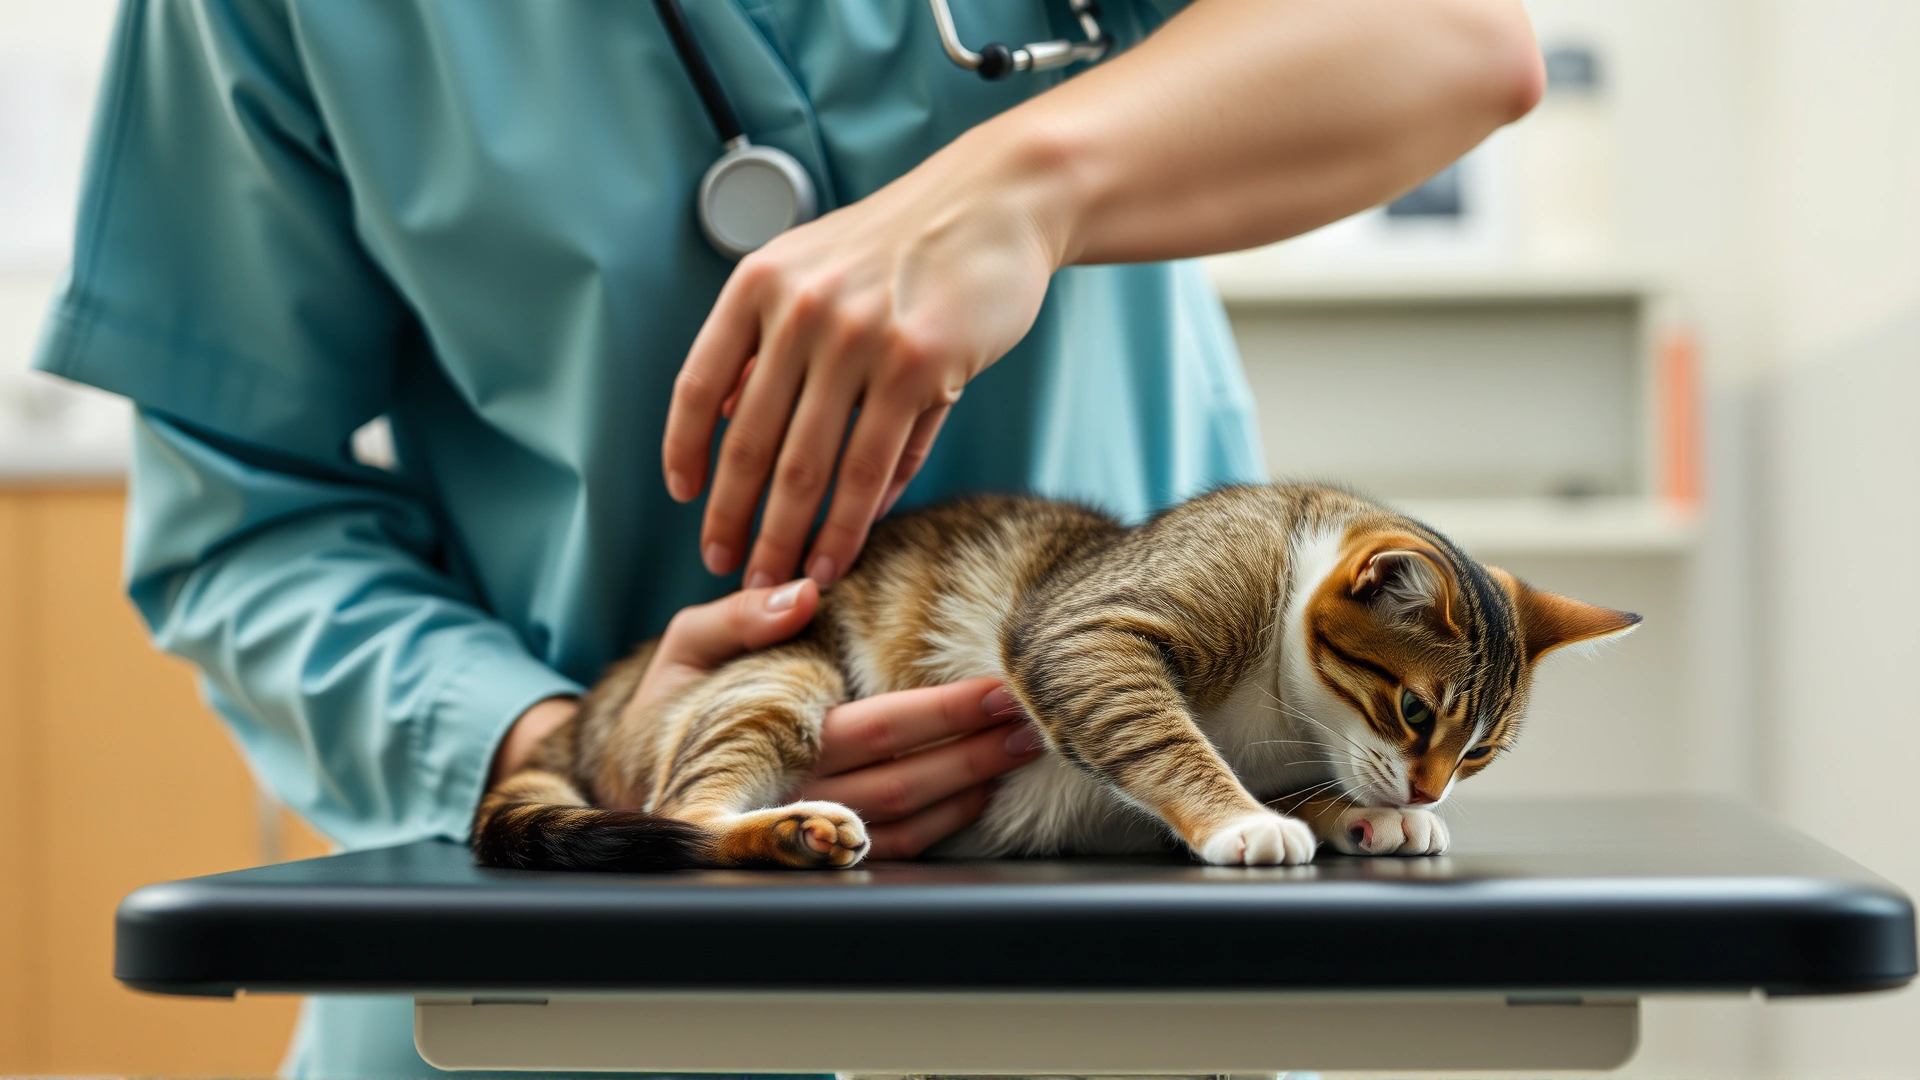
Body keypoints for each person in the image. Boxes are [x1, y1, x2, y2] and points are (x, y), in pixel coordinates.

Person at [36, 0, 1541, 1075]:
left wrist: (1023, 184)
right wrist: (556, 747)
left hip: (1110, 959)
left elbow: (1451, 34)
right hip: (562, 998)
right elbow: (240, 517)